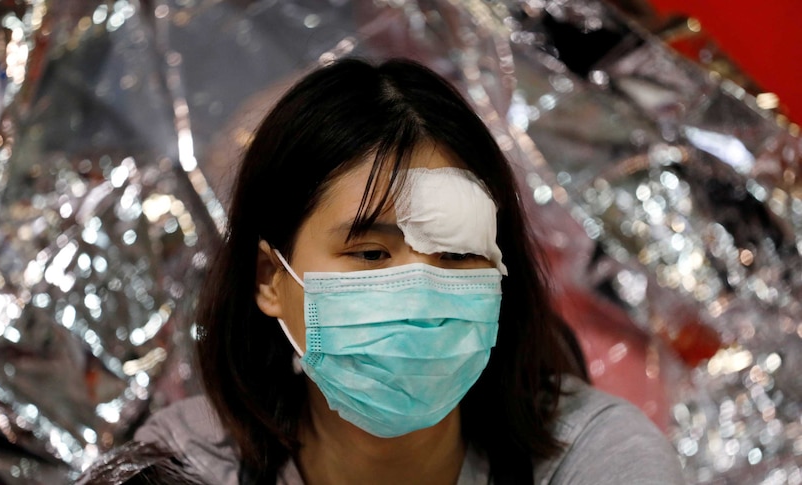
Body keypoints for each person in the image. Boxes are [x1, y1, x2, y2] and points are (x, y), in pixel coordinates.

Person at [81, 58, 684, 484]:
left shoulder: (601, 460)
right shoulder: (181, 470)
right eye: (371, 254)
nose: (420, 291)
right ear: (270, 278)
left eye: (456, 256)